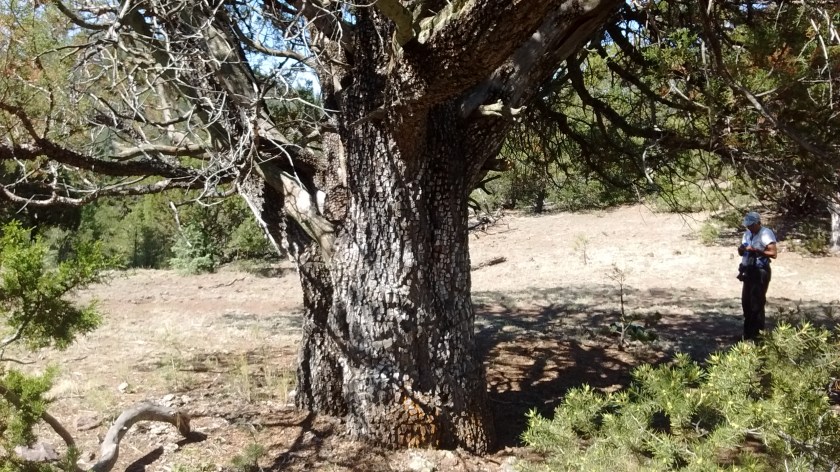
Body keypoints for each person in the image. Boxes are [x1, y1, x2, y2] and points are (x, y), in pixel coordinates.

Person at [736, 211, 777, 340]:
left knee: (757, 303)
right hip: (748, 270)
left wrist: (756, 250)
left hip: (760, 271)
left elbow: (773, 253)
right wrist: (741, 249)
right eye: (747, 225)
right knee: (746, 302)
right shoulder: (747, 234)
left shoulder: (766, 233)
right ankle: (747, 333)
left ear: (758, 223)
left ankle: (758, 335)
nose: (749, 228)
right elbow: (741, 252)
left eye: (751, 225)